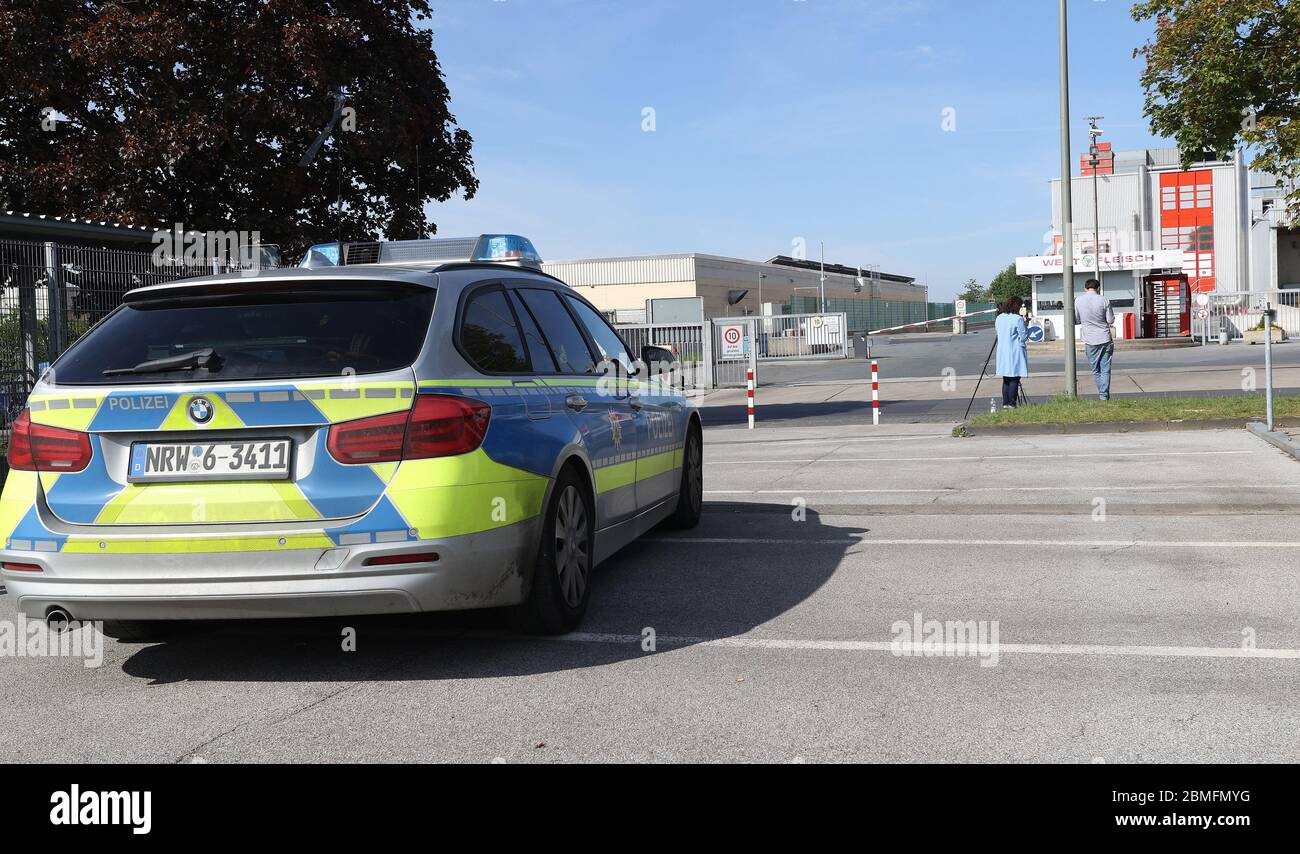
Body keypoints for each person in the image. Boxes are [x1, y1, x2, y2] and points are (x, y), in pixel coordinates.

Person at [1076, 278, 1115, 401]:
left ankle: (1102, 394)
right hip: (1105, 338)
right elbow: (1110, 320)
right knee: (1105, 369)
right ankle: (1104, 396)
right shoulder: (1104, 299)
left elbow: (1076, 320)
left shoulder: (1078, 300)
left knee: (1096, 370)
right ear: (1098, 288)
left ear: (1085, 288)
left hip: (1089, 339)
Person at [995, 296, 1029, 407]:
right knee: (1014, 377)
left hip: (1002, 351)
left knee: (1006, 379)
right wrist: (1025, 324)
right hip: (1014, 351)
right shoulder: (1017, 319)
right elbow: (1023, 336)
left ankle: (1005, 403)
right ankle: (1012, 403)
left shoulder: (999, 318)